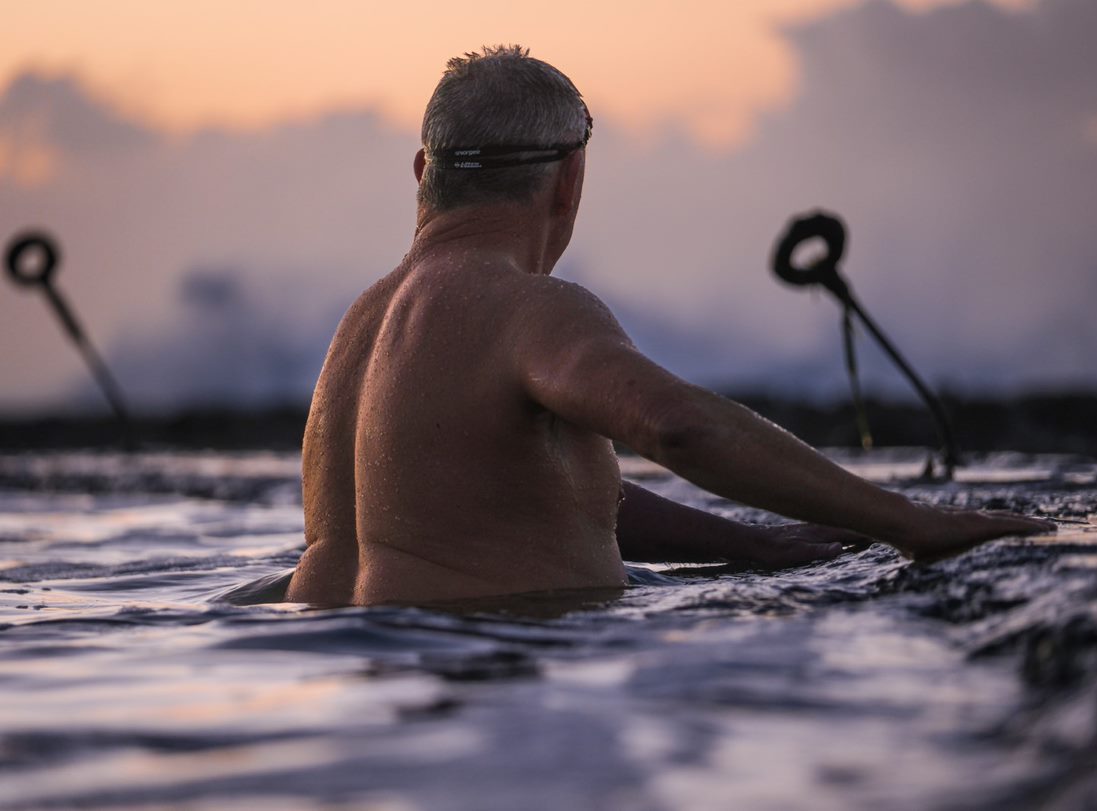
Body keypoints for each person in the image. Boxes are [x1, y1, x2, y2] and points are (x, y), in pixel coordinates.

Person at [285, 45, 1052, 606]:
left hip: (365, 684)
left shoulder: (358, 334)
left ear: (424, 172)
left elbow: (515, 497)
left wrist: (757, 544)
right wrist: (911, 521)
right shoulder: (528, 307)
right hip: (505, 686)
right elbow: (675, 426)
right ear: (568, 182)